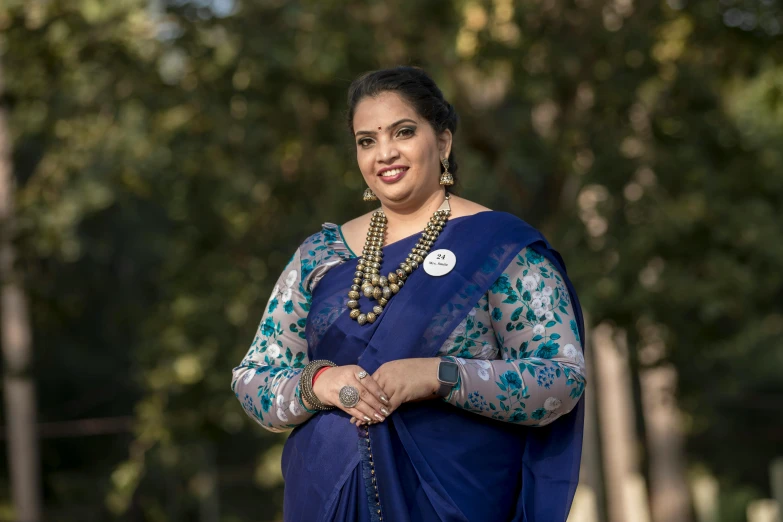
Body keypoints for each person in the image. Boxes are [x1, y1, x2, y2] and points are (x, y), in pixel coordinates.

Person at [231, 66, 587, 522]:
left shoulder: (500, 246)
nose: (385, 153)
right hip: (326, 498)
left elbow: (560, 377)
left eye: (403, 132)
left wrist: (439, 375)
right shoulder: (319, 255)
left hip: (455, 500)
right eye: (366, 140)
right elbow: (253, 376)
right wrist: (320, 384)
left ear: (442, 142)